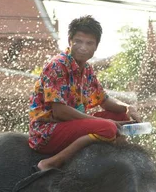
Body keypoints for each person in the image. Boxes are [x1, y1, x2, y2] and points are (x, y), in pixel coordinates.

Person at [28, 15, 142, 171]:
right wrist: (101, 124)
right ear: (70, 41)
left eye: (89, 43)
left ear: (96, 46)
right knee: (107, 128)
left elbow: (104, 100)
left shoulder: (87, 69)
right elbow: (60, 112)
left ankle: (118, 160)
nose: (83, 47)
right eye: (78, 42)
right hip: (48, 132)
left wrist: (128, 107)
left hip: (70, 126)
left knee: (121, 117)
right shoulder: (57, 65)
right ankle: (51, 162)